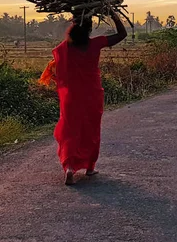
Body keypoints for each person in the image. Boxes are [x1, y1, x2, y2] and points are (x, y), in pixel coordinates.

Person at [40, 11, 127, 185]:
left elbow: (58, 65)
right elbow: (122, 34)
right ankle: (89, 167)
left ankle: (70, 167)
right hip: (92, 94)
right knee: (91, 129)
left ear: (72, 28)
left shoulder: (64, 48)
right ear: (89, 29)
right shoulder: (96, 43)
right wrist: (113, 15)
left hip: (71, 96)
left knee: (71, 129)